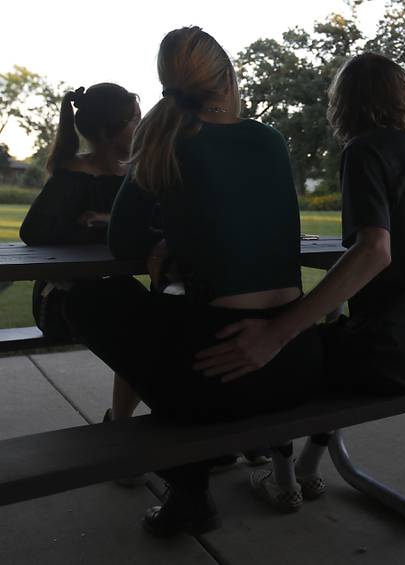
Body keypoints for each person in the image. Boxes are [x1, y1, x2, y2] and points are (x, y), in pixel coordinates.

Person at [62, 26, 323, 537]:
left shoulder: (164, 141)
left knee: (86, 300)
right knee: (178, 326)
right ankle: (192, 481)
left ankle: (190, 489)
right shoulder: (269, 139)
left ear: (167, 85)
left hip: (220, 374)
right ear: (227, 78)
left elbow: (121, 242)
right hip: (296, 364)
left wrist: (166, 247)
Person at [194, 52, 405, 510]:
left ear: (346, 104)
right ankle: (305, 467)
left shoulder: (367, 150)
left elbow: (375, 250)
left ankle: (280, 478)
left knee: (269, 352)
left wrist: (278, 332)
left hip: (393, 355)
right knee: (327, 336)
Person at [19, 83, 143, 430]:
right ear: (108, 130)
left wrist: (105, 221)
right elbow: (34, 232)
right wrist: (107, 230)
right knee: (145, 337)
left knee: (167, 327)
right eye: (134, 120)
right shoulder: (73, 176)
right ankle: (121, 429)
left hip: (116, 291)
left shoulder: (136, 175)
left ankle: (129, 425)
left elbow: (156, 223)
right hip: (65, 298)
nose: (142, 127)